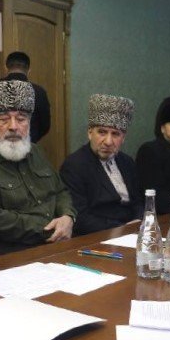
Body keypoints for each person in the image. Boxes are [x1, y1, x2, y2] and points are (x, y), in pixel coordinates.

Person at [0, 80, 76, 256]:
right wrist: (47, 228)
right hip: (10, 255)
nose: (13, 126)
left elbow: (61, 192)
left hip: (55, 246)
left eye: (21, 119)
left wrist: (67, 216)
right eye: (4, 119)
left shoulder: (37, 152)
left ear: (29, 122)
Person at [60, 94, 142, 235]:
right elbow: (80, 217)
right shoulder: (74, 165)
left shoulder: (127, 162)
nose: (108, 141)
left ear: (123, 138)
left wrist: (139, 220)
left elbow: (139, 201)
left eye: (115, 134)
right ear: (90, 133)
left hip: (133, 232)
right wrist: (123, 229)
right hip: (98, 236)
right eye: (102, 132)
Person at [0, 51, 51, 143]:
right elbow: (45, 125)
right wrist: (32, 137)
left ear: (6, 67)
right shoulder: (39, 92)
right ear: (29, 70)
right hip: (27, 144)